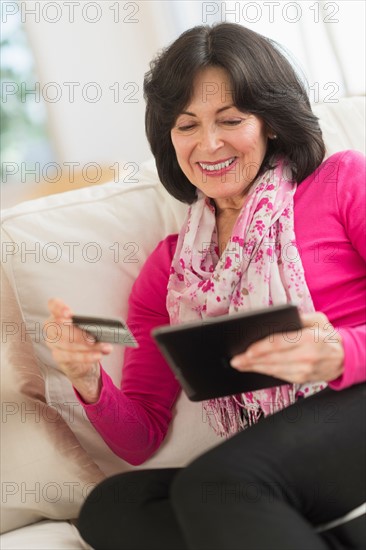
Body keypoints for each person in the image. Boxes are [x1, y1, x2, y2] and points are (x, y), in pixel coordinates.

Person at [46, 23, 365, 550]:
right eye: (187, 125)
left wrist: (340, 352)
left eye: (231, 120)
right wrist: (87, 380)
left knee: (217, 485)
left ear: (273, 124)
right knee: (114, 506)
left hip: (353, 405)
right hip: (278, 462)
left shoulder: (341, 183)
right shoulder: (170, 270)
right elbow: (140, 437)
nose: (208, 144)